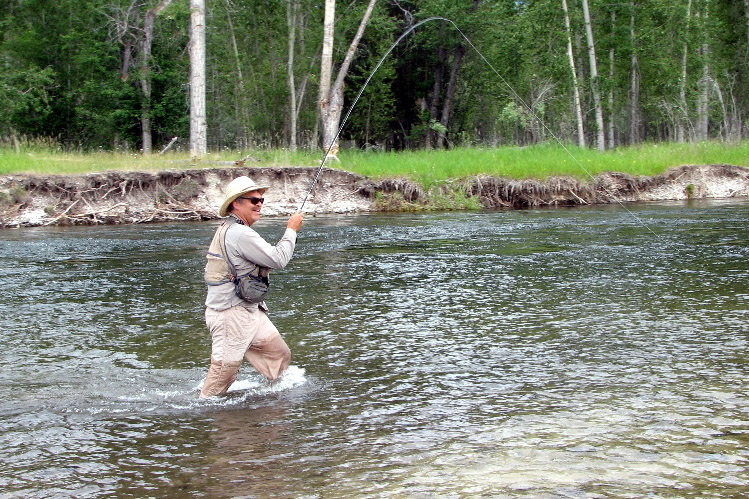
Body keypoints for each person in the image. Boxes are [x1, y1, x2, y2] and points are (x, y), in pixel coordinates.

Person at [199, 176, 304, 398]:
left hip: (249, 310)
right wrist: (291, 230)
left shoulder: (233, 228)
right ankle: (204, 412)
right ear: (236, 203)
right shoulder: (240, 233)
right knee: (224, 373)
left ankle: (277, 403)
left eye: (261, 200)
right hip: (230, 314)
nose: (259, 204)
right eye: (253, 200)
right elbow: (278, 259)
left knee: (279, 355)